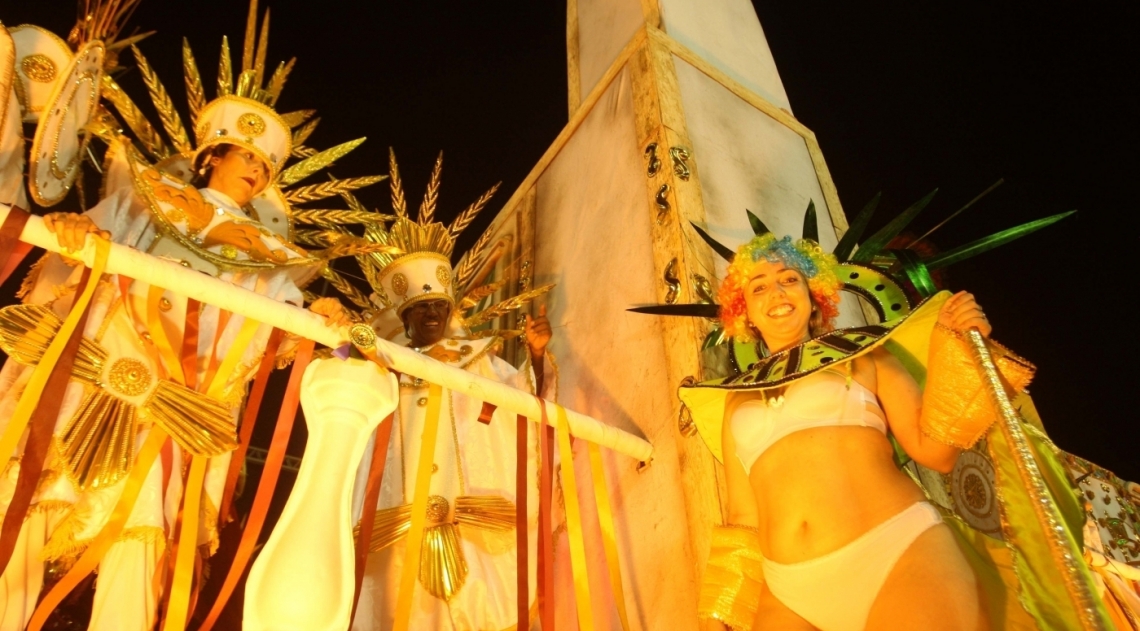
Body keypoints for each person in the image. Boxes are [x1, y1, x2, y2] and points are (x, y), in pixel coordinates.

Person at [0, 5, 370, 627]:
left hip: (174, 405)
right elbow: (85, 243)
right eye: (244, 155)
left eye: (266, 165)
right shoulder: (145, 199)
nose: (255, 169)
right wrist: (70, 228)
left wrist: (324, 314)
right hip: (99, 373)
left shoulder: (272, 255)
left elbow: (289, 323)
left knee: (139, 535)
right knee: (29, 499)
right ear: (211, 156)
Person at [673, 228, 1039, 631]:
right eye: (759, 288)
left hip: (896, 552)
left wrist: (959, 349)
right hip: (787, 591)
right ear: (745, 313)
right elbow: (743, 517)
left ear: (815, 297)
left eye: (789, 280)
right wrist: (718, 613)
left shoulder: (865, 357)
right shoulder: (735, 399)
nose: (776, 293)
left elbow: (935, 452)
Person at [350, 154, 555, 631]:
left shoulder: (476, 359)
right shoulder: (385, 368)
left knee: (480, 610)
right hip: (400, 522)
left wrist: (539, 356)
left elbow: (522, 403)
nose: (432, 316)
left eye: (439, 307)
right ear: (404, 319)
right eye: (421, 309)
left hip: (475, 515)